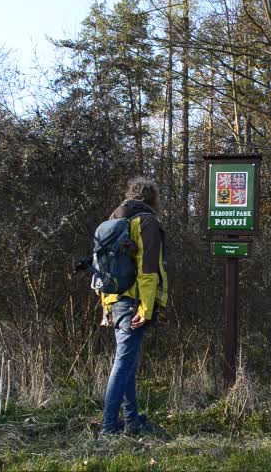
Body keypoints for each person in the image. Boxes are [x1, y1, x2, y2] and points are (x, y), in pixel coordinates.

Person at [98, 177, 168, 436]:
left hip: (115, 299)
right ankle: (108, 427)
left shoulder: (113, 220)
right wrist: (146, 308)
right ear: (152, 198)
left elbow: (103, 267)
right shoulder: (146, 221)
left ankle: (132, 421)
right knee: (123, 362)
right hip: (134, 302)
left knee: (126, 363)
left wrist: (106, 304)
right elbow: (148, 270)